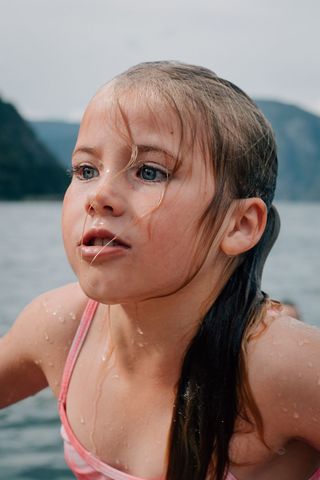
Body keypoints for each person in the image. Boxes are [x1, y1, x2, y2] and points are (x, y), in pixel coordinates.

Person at [0, 61, 319, 480]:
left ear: (240, 225)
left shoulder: (283, 368)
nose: (99, 195)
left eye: (150, 172)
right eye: (85, 170)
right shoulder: (59, 329)